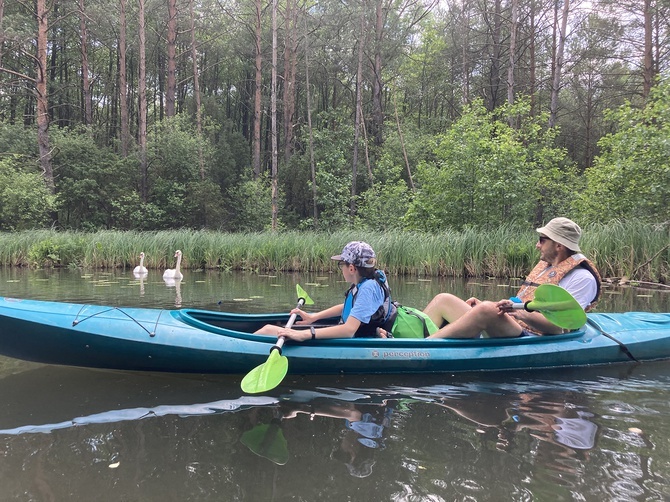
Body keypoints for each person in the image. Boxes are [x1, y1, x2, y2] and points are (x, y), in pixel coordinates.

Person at [424, 217, 601, 338]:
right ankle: (404, 341)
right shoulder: (547, 267)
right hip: (514, 325)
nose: (537, 245)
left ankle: (424, 347)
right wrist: (502, 308)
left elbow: (560, 328)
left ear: (559, 245)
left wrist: (518, 313)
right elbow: (521, 304)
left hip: (533, 337)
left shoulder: (582, 278)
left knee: (486, 309)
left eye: (542, 239)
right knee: (443, 300)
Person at [255, 241, 396, 341]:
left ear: (352, 268)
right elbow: (354, 307)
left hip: (354, 338)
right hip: (356, 332)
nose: (341, 269)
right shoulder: (365, 282)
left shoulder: (368, 288)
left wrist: (305, 334)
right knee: (268, 329)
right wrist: (314, 317)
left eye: (341, 264)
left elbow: (348, 330)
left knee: (268, 330)